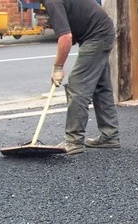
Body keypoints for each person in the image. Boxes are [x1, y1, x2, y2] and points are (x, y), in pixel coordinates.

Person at [44, 0, 120, 155]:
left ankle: (74, 140)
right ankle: (109, 135)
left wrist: (58, 67)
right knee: (101, 86)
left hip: (97, 35)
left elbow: (65, 37)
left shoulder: (51, 2)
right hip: (102, 31)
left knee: (77, 85)